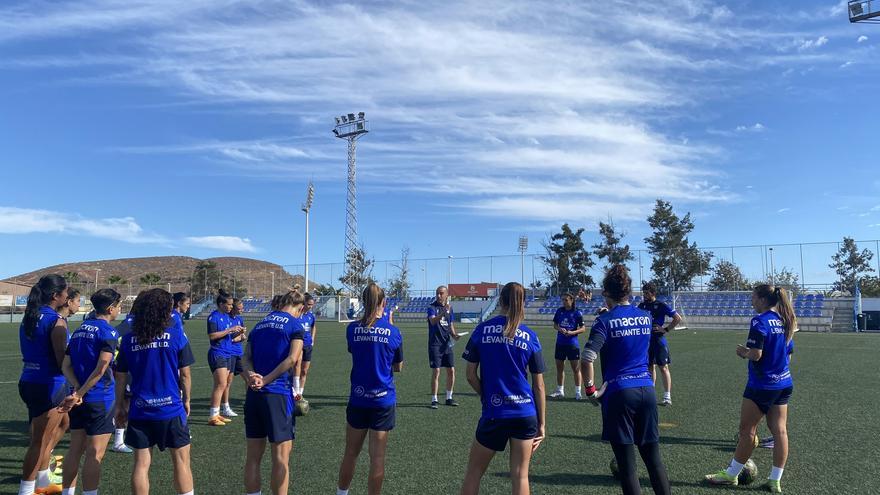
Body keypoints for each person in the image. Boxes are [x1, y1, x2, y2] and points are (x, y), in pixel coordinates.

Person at [581, 265, 671, 495]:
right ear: (629, 292)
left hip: (620, 393)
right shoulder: (645, 317)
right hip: (647, 389)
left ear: (606, 293)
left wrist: (591, 391)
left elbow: (587, 357)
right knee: (654, 460)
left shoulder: (604, 321)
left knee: (628, 467)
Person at [705, 284, 797, 494]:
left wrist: (743, 352)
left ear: (763, 300)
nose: (751, 301)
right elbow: (788, 356)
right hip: (784, 383)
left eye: (753, 297)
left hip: (762, 386)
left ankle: (731, 474)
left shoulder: (760, 321)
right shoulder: (785, 320)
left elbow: (756, 355)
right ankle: (774, 481)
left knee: (747, 432)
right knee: (780, 431)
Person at [459, 282, 546, 495]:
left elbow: (470, 376)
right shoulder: (530, 336)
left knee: (474, 473)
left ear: (501, 301)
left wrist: (486, 396)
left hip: (495, 412)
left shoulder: (482, 330)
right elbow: (539, 386)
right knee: (520, 475)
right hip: (525, 413)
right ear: (523, 303)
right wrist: (542, 424)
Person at [114, 288, 195, 495]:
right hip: (171, 409)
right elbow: (185, 374)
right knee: (181, 462)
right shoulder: (177, 335)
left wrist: (119, 407)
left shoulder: (129, 340)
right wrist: (187, 399)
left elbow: (121, 377)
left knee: (141, 465)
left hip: (140, 409)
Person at [336, 283, 403, 495]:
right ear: (384, 303)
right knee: (377, 458)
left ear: (364, 302)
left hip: (358, 399)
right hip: (382, 400)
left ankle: (342, 493)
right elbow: (398, 367)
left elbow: (354, 350)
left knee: (350, 453)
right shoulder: (393, 332)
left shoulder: (352, 329)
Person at [58, 288, 123, 495]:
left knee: (75, 449)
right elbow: (102, 367)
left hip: (79, 399)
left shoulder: (78, 330)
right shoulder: (109, 332)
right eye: (119, 306)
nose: (119, 310)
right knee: (95, 453)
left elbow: (65, 366)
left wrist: (77, 389)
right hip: (99, 399)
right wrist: (82, 392)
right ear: (111, 308)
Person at [242, 289, 306, 495]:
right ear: (300, 308)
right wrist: (266, 379)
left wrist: (252, 376)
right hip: (277, 395)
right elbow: (292, 359)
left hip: (253, 396)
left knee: (253, 457)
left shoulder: (259, 324)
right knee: (281, 458)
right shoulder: (295, 325)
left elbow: (245, 358)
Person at [17, 274, 70, 495]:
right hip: (50, 385)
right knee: (39, 443)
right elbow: (61, 361)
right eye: (66, 292)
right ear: (56, 295)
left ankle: (44, 481)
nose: (68, 296)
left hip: (29, 381)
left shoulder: (30, 317)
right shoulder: (56, 321)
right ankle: (27, 490)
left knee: (63, 424)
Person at [637, 282, 682, 406]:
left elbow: (677, 318)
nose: (645, 295)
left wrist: (666, 329)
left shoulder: (661, 305)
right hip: (646, 341)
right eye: (644, 293)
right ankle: (650, 394)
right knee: (649, 367)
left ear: (653, 293)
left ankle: (667, 396)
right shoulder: (641, 305)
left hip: (658, 340)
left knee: (663, 367)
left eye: (647, 293)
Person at [207, 289, 244, 425]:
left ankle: (217, 413)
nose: (230, 307)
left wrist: (237, 333)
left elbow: (228, 337)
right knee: (220, 384)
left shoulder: (228, 317)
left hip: (228, 353)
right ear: (221, 304)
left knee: (224, 384)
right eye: (228, 304)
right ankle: (212, 416)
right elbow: (212, 336)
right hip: (218, 353)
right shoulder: (214, 317)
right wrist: (229, 330)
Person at [427, 285, 460, 409]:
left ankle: (448, 397)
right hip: (435, 344)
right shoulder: (432, 307)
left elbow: (450, 325)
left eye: (441, 293)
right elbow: (433, 321)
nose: (439, 295)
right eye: (437, 293)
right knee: (436, 371)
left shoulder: (450, 309)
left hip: (447, 344)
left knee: (451, 370)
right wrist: (442, 312)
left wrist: (455, 335)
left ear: (446, 295)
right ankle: (434, 399)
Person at [550, 293, 585, 400]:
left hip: (572, 345)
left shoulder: (577, 312)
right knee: (560, 368)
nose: (564, 302)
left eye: (566, 300)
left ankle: (578, 392)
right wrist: (560, 329)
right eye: (563, 300)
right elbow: (555, 325)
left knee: (576, 369)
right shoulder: (560, 311)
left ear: (572, 300)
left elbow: (583, 328)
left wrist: (572, 332)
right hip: (560, 344)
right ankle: (560, 391)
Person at [110, 310, 136, 454]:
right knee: (125, 402)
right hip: (124, 370)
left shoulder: (129, 323)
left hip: (126, 368)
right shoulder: (130, 325)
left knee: (127, 401)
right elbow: (115, 340)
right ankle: (119, 441)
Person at [223, 298, 246, 417]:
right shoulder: (226, 319)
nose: (242, 310)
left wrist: (242, 334)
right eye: (240, 308)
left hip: (239, 353)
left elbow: (243, 336)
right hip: (229, 352)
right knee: (228, 381)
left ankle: (249, 402)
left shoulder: (239, 319)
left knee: (248, 377)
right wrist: (233, 339)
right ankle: (225, 406)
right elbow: (224, 338)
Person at [293, 294, 317, 398]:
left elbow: (313, 327)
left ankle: (300, 394)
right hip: (298, 344)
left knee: (304, 370)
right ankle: (295, 392)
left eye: (312, 305)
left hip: (308, 345)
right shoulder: (296, 315)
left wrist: (312, 339)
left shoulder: (311, 316)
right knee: (297, 365)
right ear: (304, 303)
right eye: (308, 304)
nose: (310, 306)